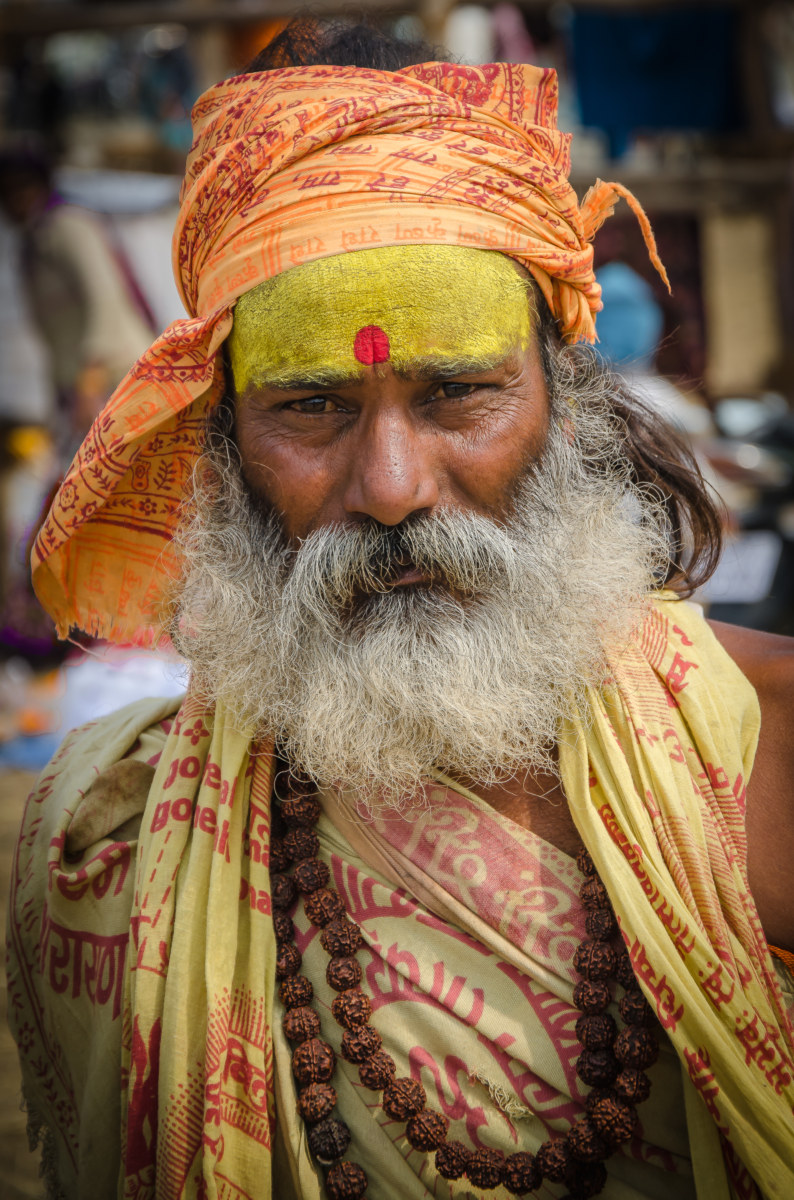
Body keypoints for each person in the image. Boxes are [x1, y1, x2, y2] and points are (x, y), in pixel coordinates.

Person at [7, 20, 794, 1200]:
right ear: (216, 449)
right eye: (310, 406)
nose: (389, 488)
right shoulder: (103, 846)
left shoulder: (771, 747)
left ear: (564, 405)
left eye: (459, 392)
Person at [0, 146, 155, 467]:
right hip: (82, 383)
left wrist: (90, 378)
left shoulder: (67, 226)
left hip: (109, 375)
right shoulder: (35, 238)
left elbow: (104, 294)